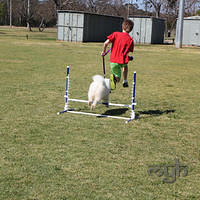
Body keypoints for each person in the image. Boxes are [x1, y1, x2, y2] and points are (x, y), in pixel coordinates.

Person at [101, 19, 134, 90]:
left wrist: (104, 52)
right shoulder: (130, 40)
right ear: (131, 30)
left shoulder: (115, 34)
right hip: (122, 60)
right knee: (124, 67)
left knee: (117, 77)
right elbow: (125, 52)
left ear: (122, 27)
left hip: (113, 61)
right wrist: (130, 58)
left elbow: (105, 43)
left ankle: (112, 81)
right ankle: (125, 80)